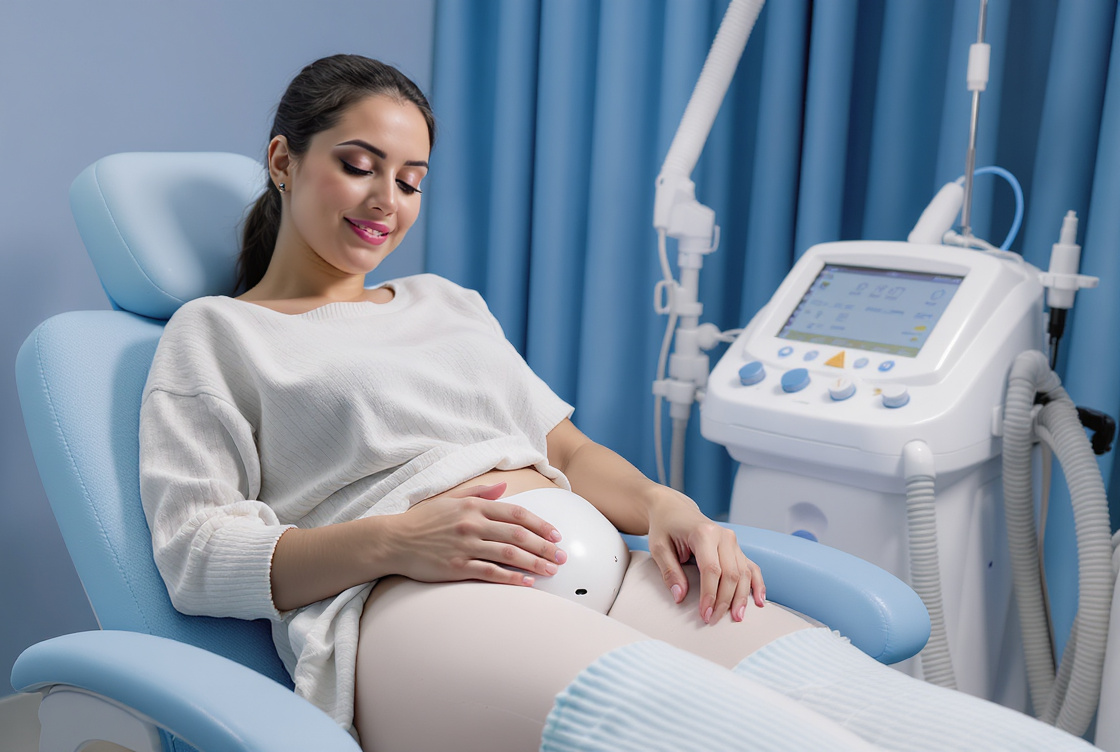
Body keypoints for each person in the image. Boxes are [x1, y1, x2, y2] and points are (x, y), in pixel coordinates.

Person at [139, 54, 1097, 751]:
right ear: (282, 159)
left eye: (411, 179)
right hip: (414, 606)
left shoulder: (445, 304)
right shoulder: (218, 335)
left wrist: (668, 506)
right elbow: (197, 554)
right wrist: (398, 540)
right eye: (359, 164)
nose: (386, 200)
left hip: (613, 572)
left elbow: (565, 449)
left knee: (911, 723)